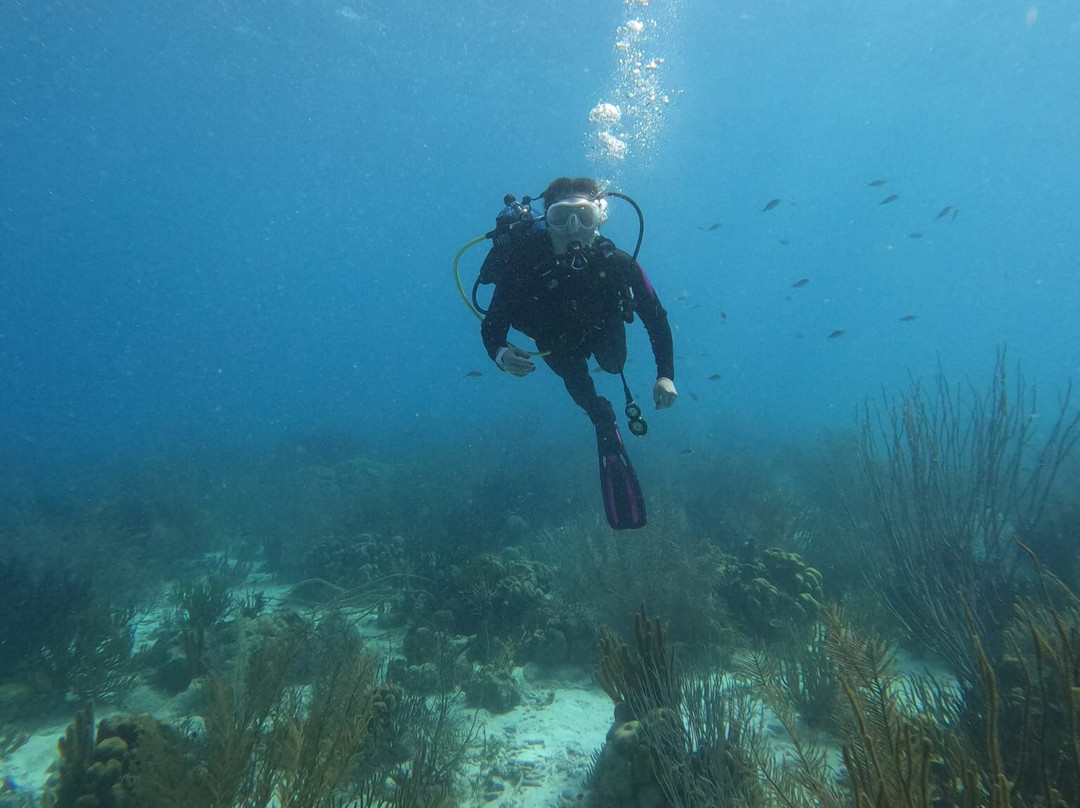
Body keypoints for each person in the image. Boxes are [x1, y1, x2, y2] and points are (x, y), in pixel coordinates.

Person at [479, 176, 677, 528]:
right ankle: (603, 419)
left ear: (600, 218)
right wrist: (500, 353)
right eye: (561, 218)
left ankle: (602, 408)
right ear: (544, 220)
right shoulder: (522, 263)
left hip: (603, 332)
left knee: (614, 365)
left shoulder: (617, 262)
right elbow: (493, 325)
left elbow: (656, 318)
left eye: (583, 216)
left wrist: (665, 375)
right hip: (556, 342)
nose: (572, 228)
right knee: (580, 385)